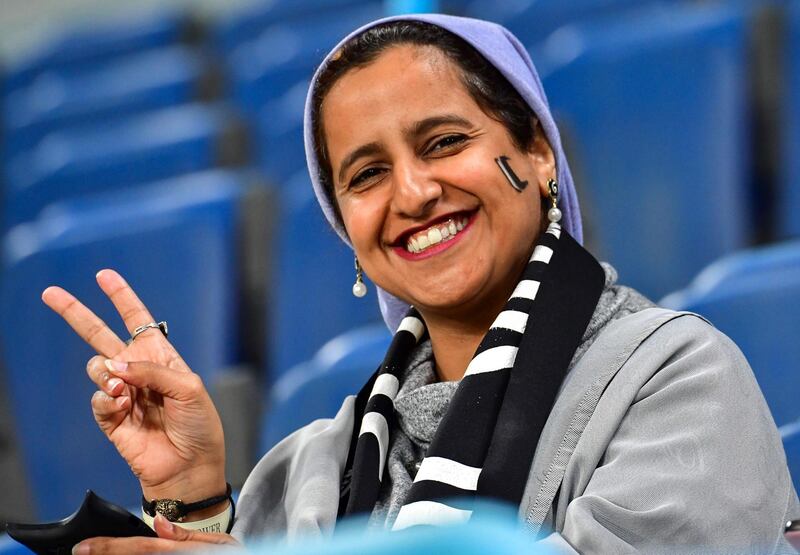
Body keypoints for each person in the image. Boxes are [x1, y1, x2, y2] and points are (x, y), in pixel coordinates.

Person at [41, 13, 799, 554]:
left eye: (444, 142)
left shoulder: (679, 377)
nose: (411, 193)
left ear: (537, 153)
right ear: (348, 232)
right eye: (366, 175)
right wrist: (196, 497)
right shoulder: (317, 460)